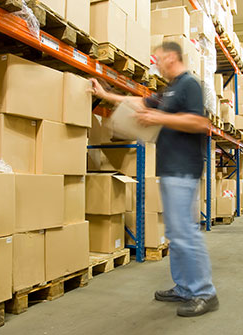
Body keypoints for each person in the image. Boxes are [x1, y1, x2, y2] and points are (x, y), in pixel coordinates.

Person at [89, 41, 218, 317]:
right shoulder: (170, 89)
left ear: (171, 57)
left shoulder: (189, 85)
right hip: (170, 169)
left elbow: (200, 123)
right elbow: (140, 101)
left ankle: (205, 293)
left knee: (186, 233)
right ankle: (184, 287)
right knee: (175, 233)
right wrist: (107, 95)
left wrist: (160, 117)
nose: (155, 64)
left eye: (158, 59)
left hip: (185, 168)